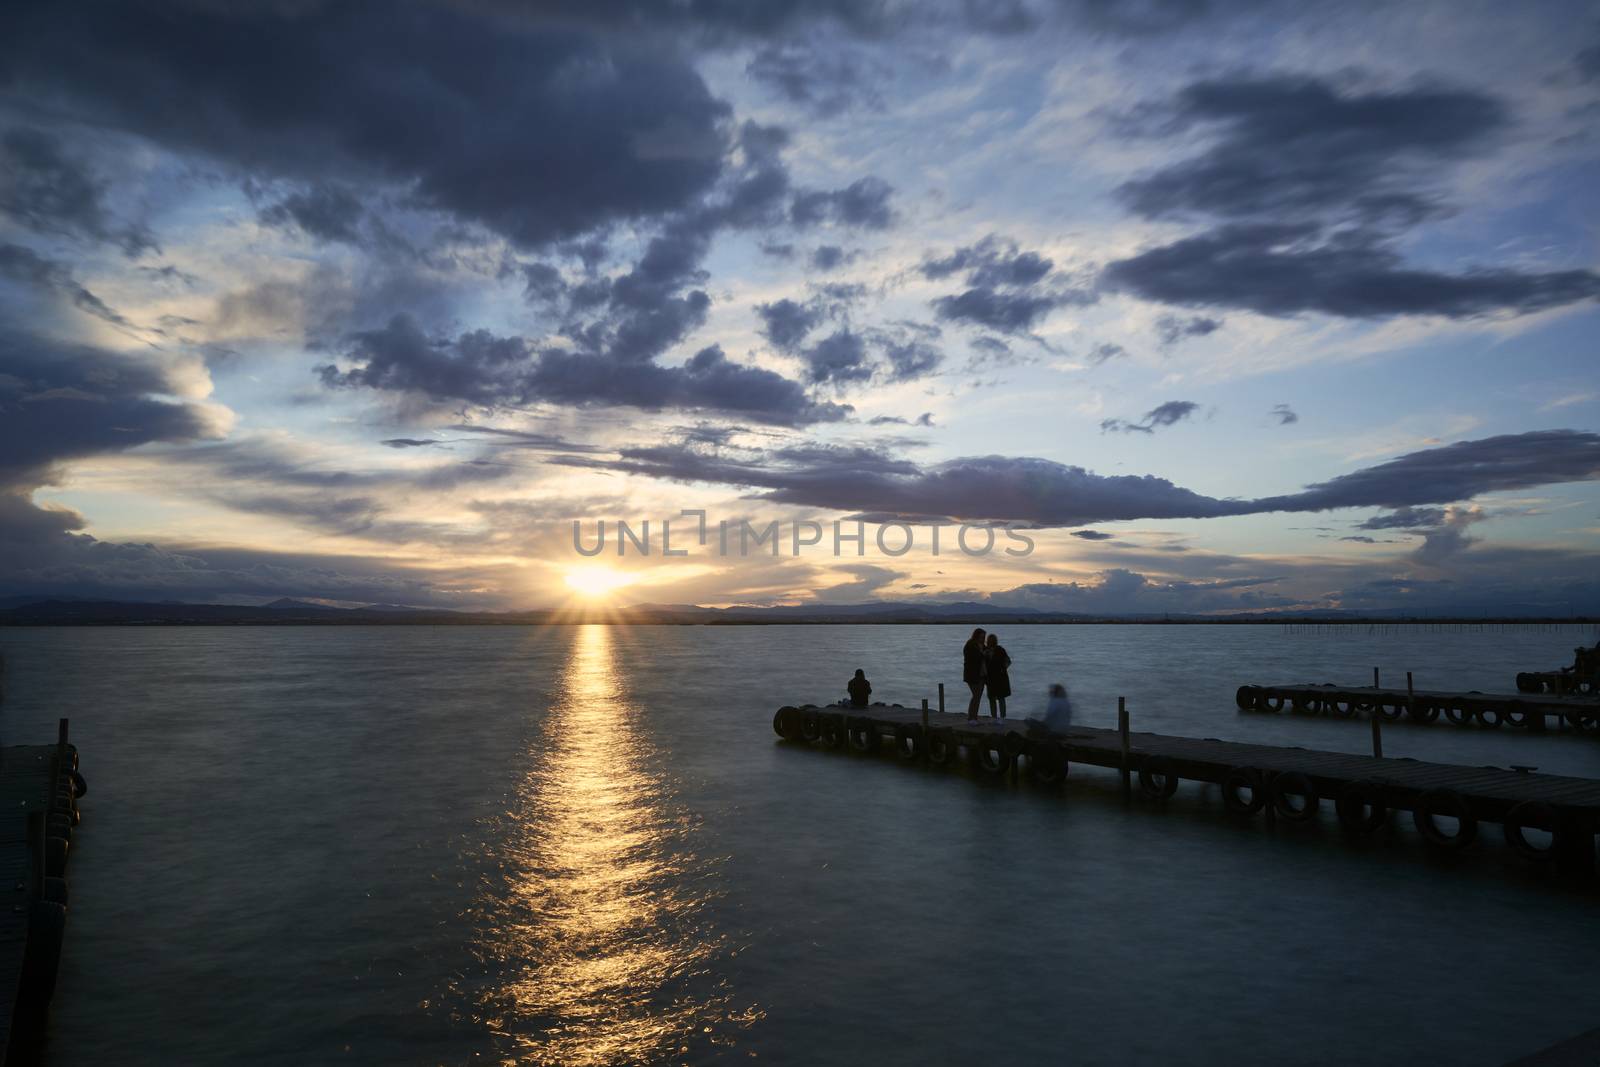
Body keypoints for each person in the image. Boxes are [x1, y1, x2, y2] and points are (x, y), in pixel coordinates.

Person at [962, 628, 987, 721]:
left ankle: (974, 717)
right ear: (976, 636)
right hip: (972, 675)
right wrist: (983, 654)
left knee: (978, 697)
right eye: (981, 637)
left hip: (982, 675)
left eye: (984, 637)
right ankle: (971, 717)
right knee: (976, 696)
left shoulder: (983, 646)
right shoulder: (970, 645)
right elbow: (971, 658)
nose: (982, 638)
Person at [985, 632, 1011, 719]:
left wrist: (1003, 669)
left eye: (992, 640)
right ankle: (995, 717)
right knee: (993, 698)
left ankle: (1002, 717)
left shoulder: (1000, 650)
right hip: (991, 678)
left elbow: (1008, 661)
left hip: (999, 678)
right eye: (990, 640)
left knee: (1000, 698)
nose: (991, 642)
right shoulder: (985, 651)